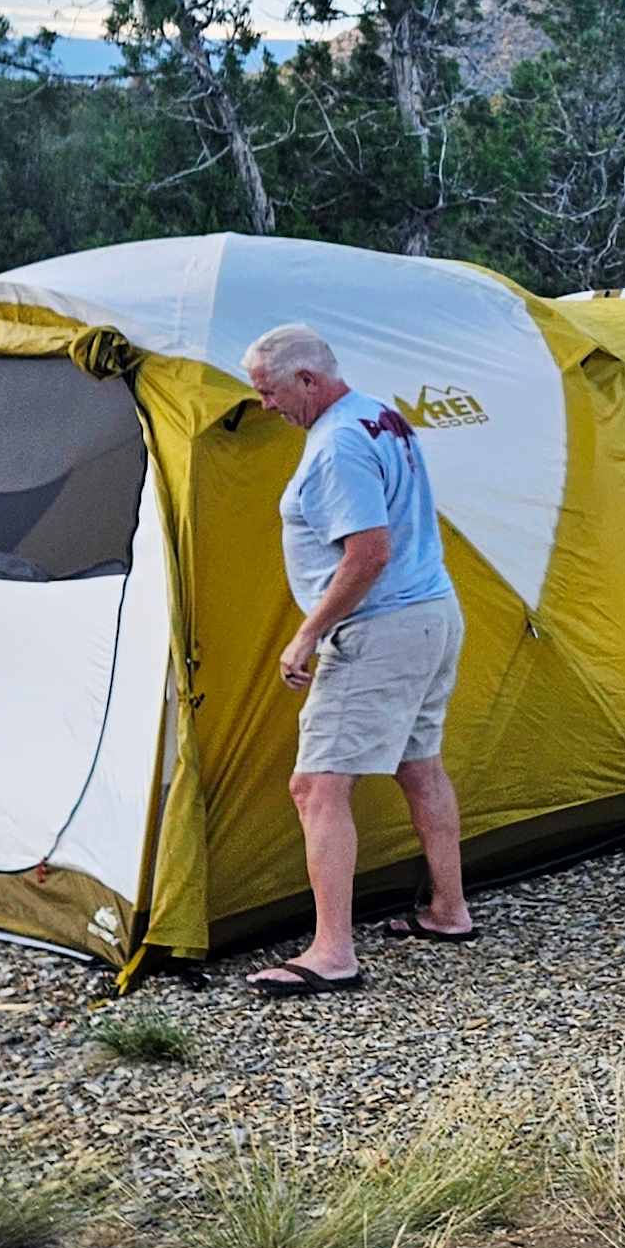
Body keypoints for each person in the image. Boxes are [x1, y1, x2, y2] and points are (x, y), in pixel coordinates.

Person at [241, 321, 474, 996]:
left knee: (316, 786)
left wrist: (306, 633)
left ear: (307, 379)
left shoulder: (337, 443)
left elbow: (368, 555)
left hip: (380, 629)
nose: (267, 407)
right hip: (431, 615)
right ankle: (448, 911)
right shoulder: (379, 415)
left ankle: (332, 953)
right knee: (418, 763)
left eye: (270, 392)